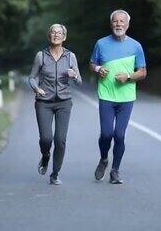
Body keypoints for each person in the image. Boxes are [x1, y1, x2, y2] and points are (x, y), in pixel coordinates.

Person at [90, 10, 146, 184]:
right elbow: (92, 64)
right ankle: (104, 158)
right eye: (115, 21)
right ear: (111, 24)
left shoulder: (136, 46)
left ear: (127, 25)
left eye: (122, 21)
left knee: (119, 135)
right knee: (106, 134)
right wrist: (99, 69)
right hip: (106, 95)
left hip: (126, 97)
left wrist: (128, 77)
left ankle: (115, 171)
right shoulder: (101, 43)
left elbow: (143, 72)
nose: (118, 24)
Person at [28, 24, 82, 185]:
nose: (56, 35)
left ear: (64, 37)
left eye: (59, 33)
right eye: (53, 32)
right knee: (46, 138)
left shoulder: (71, 56)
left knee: (60, 140)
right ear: (49, 36)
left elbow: (79, 82)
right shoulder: (41, 56)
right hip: (43, 102)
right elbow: (31, 77)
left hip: (64, 102)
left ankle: (55, 174)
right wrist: (36, 88)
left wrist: (74, 76)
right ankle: (45, 156)